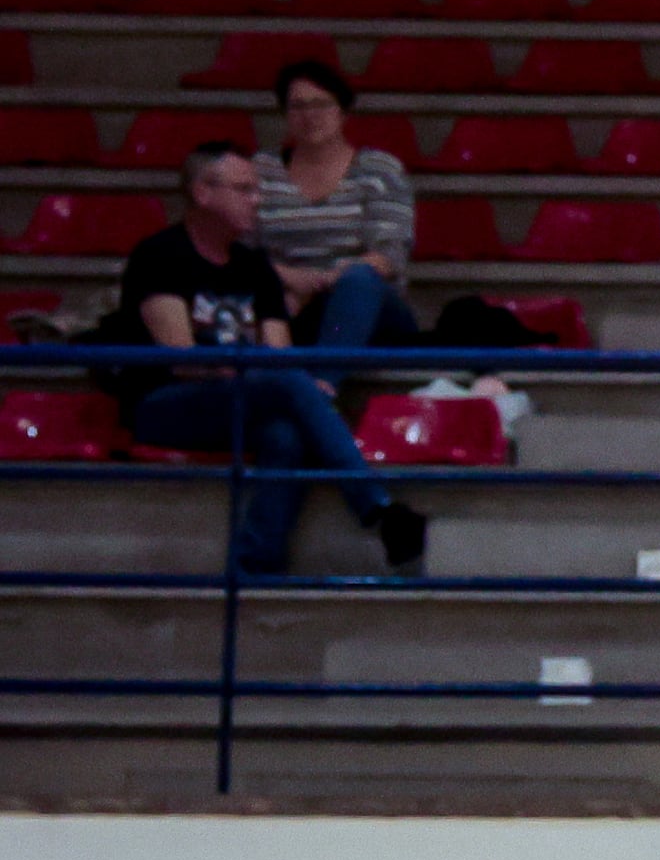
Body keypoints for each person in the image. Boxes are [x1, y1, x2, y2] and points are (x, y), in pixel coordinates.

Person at [103, 143, 422, 579]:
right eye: (243, 190)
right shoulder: (161, 255)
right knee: (290, 386)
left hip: (240, 396)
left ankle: (256, 566)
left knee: (286, 434)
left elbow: (279, 351)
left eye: (256, 190)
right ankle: (377, 508)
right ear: (202, 193)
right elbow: (181, 359)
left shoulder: (254, 267)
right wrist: (258, 368)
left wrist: (259, 368)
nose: (257, 200)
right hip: (165, 402)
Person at [255, 59, 426, 352]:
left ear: (342, 111)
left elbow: (387, 257)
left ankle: (324, 381)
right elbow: (241, 252)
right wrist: (289, 278)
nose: (309, 116)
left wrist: (323, 283)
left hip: (368, 306)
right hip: (288, 303)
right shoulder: (261, 171)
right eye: (298, 106)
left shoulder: (379, 170)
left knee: (359, 282)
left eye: (321, 104)